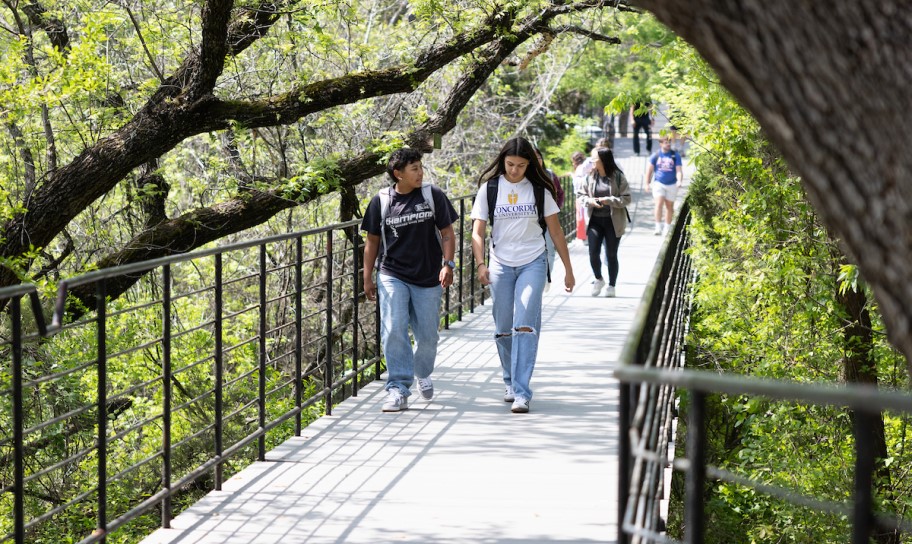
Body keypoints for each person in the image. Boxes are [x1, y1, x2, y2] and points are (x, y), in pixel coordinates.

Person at [471, 137, 575, 414]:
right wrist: (481, 264)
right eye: (509, 164)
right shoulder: (489, 189)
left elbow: (555, 231)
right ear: (502, 161)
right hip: (500, 264)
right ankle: (509, 380)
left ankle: (521, 391)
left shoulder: (540, 190)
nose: (514, 170)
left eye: (520, 165)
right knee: (504, 328)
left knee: (525, 325)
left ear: (530, 165)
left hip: (533, 261)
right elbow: (477, 232)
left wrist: (568, 269)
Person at [361, 148, 459, 412]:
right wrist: (367, 276)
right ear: (398, 174)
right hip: (393, 273)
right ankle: (398, 388)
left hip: (428, 275)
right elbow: (372, 241)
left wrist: (448, 264)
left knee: (427, 336)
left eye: (420, 167)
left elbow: (447, 232)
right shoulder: (381, 201)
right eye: (414, 168)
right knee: (393, 327)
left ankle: (422, 372)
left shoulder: (432, 195)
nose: (420, 172)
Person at [577, 146, 631, 297]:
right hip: (594, 221)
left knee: (611, 254)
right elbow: (580, 196)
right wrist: (590, 201)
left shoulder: (618, 176)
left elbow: (627, 198)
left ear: (603, 160)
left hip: (613, 222)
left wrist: (609, 200)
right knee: (593, 252)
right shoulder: (589, 177)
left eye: (595, 159)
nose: (592, 161)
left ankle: (612, 286)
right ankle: (598, 278)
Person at [533, 145, 565, 280]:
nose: (536, 160)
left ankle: (546, 278)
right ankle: (538, 278)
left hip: (548, 220)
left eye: (538, 157)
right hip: (532, 220)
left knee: (550, 251)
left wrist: (556, 208)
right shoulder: (522, 177)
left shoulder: (550, 174)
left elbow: (560, 193)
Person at [644, 137, 684, 235]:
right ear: (661, 144)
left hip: (672, 184)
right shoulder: (656, 155)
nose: (668, 144)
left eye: (669, 142)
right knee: (659, 203)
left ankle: (667, 227)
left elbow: (679, 170)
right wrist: (647, 183)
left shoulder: (675, 155)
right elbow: (649, 170)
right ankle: (658, 227)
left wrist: (679, 181)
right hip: (659, 183)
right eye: (666, 142)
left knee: (669, 206)